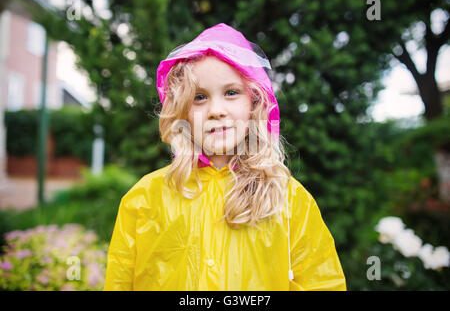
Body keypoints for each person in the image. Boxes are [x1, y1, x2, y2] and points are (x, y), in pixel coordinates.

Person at [103, 23, 346, 291]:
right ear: (181, 110)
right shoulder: (144, 199)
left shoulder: (288, 200)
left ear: (254, 102)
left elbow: (322, 283)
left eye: (231, 92)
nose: (216, 110)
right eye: (199, 97)